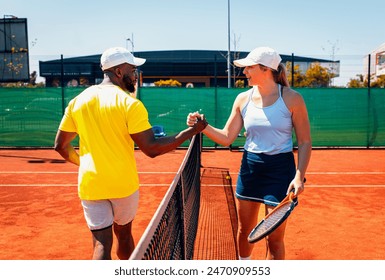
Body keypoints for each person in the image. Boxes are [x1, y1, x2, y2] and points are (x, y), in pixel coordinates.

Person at [54, 47, 207, 260]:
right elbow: (152, 148)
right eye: (132, 70)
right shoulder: (130, 104)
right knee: (124, 236)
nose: (135, 75)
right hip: (122, 185)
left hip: (91, 183)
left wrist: (85, 164)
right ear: (118, 71)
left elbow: (60, 146)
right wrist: (191, 131)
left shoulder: (78, 101)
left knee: (101, 245)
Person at [187, 46, 311, 260]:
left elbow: (305, 141)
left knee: (274, 238)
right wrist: (203, 126)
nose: (244, 72)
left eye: (249, 68)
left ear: (265, 69)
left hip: (281, 171)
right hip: (250, 169)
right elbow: (226, 137)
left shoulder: (292, 99)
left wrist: (299, 176)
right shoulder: (242, 99)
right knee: (245, 232)